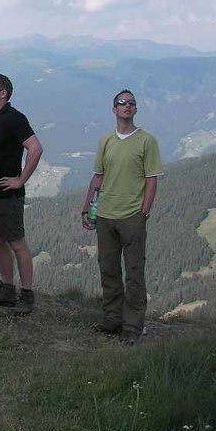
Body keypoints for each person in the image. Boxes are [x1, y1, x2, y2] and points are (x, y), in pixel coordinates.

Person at [81, 89, 162, 345]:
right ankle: (112, 320)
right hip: (105, 215)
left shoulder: (146, 141)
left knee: (135, 273)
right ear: (114, 109)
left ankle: (132, 327)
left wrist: (144, 212)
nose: (127, 106)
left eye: (131, 103)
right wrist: (86, 207)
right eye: (122, 103)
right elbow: (98, 176)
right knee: (109, 271)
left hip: (132, 216)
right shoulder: (106, 140)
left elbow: (152, 179)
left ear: (136, 110)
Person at [0, 74, 43, 315]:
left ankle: (27, 295)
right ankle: (6, 289)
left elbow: (35, 147)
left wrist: (21, 180)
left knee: (17, 243)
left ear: (3, 93)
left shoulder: (15, 118)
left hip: (7, 194)